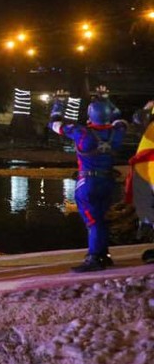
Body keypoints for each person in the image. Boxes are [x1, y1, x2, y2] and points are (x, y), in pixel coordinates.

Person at [50, 90, 129, 272]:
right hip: (108, 182)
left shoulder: (82, 133)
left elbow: (54, 124)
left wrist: (59, 102)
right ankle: (103, 254)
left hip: (88, 183)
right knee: (100, 218)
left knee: (92, 221)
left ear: (90, 116)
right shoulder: (117, 132)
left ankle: (94, 258)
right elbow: (119, 118)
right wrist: (107, 99)